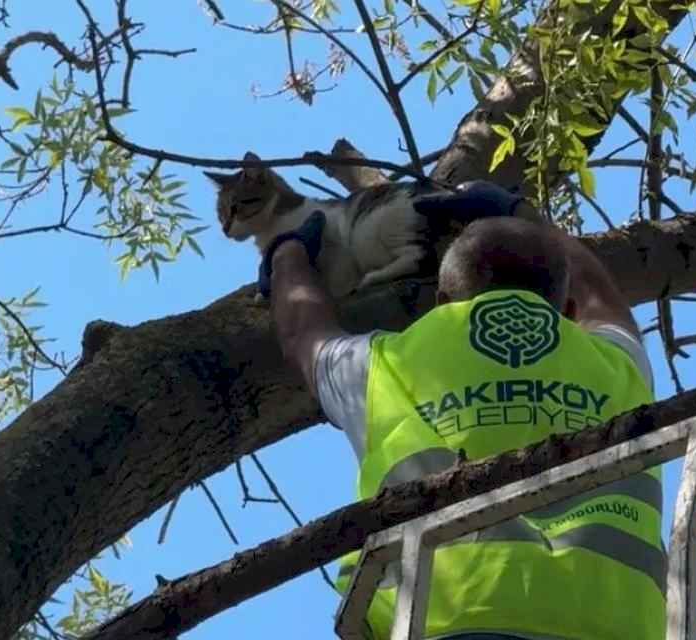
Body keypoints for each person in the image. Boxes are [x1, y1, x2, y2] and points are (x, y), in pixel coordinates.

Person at [257, 180, 666, 640]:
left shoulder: (383, 368)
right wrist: (522, 211)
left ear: (442, 302)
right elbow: (600, 294)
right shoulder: (618, 365)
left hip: (439, 626)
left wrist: (287, 253)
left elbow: (302, 333)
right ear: (567, 309)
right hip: (613, 627)